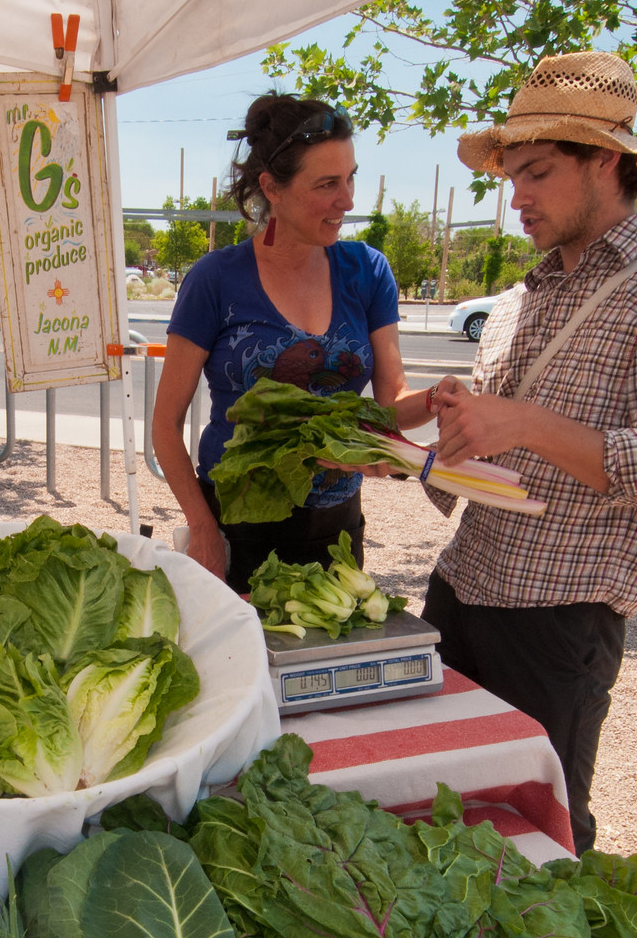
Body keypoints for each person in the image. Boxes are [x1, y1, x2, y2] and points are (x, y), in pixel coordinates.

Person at [424, 50, 637, 854]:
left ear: (606, 161)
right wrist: (416, 445)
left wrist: (524, 422)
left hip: (559, 615)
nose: (517, 198)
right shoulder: (524, 293)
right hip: (462, 583)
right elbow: (490, 437)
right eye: (511, 177)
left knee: (540, 832)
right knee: (438, 809)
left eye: (534, 172)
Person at [151, 93, 432, 590]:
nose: (346, 200)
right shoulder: (214, 279)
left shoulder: (367, 271)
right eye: (327, 184)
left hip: (337, 526)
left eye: (350, 178)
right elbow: (165, 426)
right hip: (236, 523)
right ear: (271, 187)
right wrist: (203, 528)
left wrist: (438, 401)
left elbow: (392, 404)